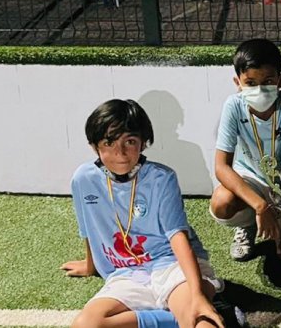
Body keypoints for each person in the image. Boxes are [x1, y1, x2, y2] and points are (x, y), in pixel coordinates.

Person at [62, 98, 236, 328]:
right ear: (94, 146)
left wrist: (196, 294)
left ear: (143, 143)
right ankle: (217, 312)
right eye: (109, 143)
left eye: (130, 142)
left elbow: (177, 237)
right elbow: (89, 228)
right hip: (127, 273)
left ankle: (202, 308)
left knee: (201, 323)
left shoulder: (161, 178)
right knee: (86, 325)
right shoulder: (83, 179)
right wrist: (91, 264)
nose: (120, 153)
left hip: (172, 265)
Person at [210, 38, 281, 263]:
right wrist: (261, 206)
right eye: (250, 82)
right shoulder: (233, 105)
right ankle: (247, 226)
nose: (259, 89)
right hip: (249, 180)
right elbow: (221, 167)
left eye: (268, 81)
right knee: (221, 202)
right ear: (237, 82)